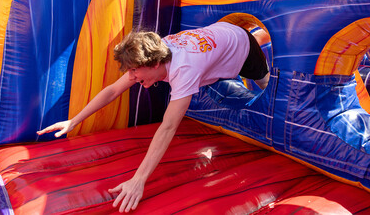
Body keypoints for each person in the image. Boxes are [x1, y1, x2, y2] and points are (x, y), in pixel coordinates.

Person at [37, 21, 270, 213]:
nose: (131, 76)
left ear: (156, 62)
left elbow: (168, 127)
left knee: (264, 82)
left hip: (241, 47)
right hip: (218, 37)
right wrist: (74, 120)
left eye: (134, 71)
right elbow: (112, 91)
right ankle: (257, 37)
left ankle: (259, 38)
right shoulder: (155, 53)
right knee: (215, 70)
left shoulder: (184, 69)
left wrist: (138, 180)